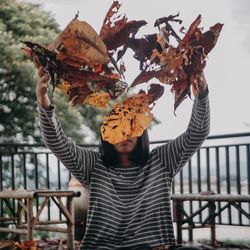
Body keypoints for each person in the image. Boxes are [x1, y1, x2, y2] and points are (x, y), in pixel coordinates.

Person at [36, 56, 210, 250]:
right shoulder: (93, 165)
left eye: (132, 127)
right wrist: (43, 102)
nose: (125, 133)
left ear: (142, 131)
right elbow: (57, 142)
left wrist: (202, 95)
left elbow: (197, 133)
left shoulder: (162, 161)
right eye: (118, 127)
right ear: (106, 133)